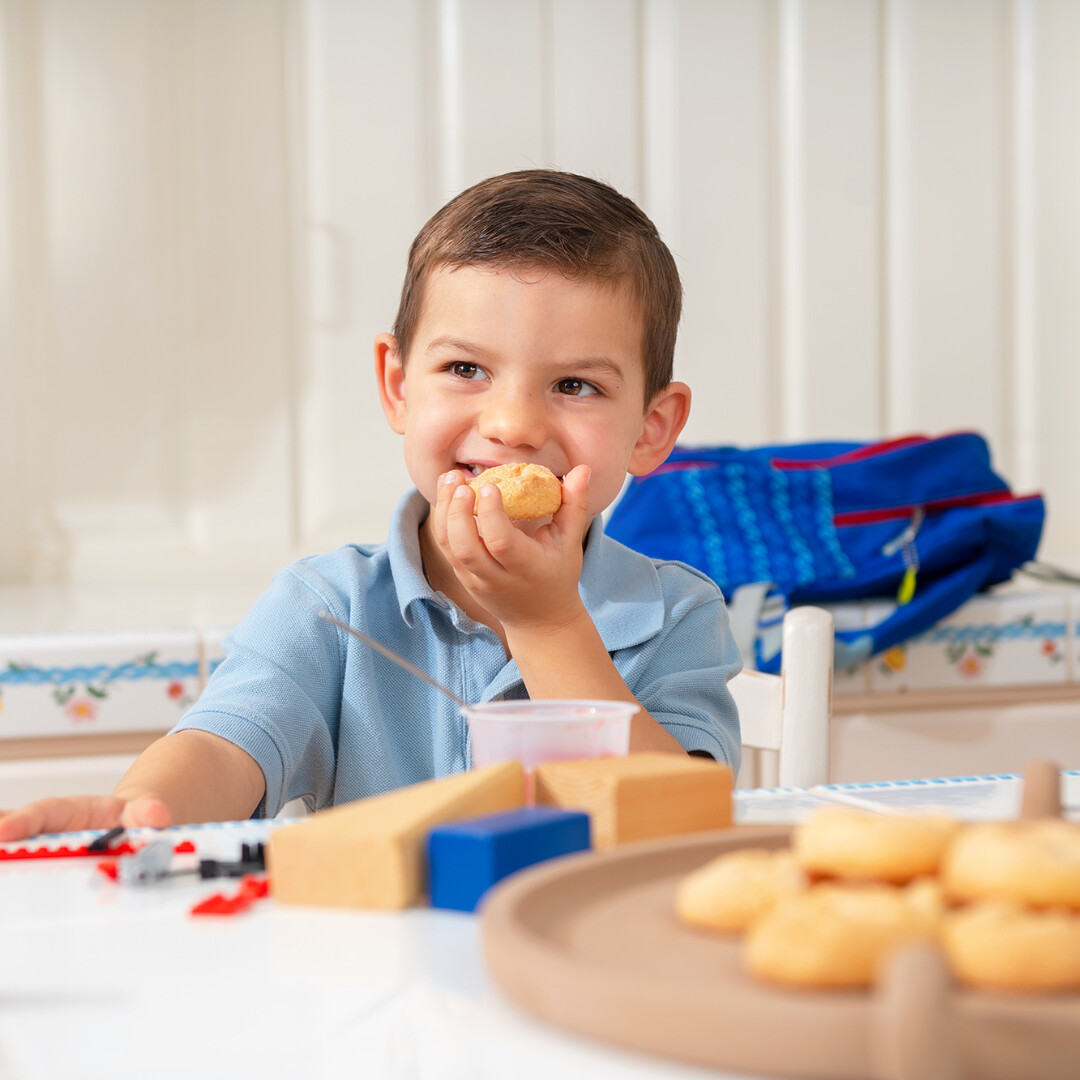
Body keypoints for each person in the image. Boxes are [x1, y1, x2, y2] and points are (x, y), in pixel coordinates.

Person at [0, 170, 741, 841]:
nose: (513, 424)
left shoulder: (675, 613)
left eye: (576, 385)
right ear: (397, 385)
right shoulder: (328, 607)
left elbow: (678, 824)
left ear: (651, 429)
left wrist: (548, 623)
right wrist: (138, 808)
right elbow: (222, 748)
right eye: (466, 368)